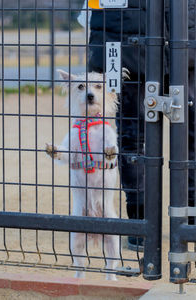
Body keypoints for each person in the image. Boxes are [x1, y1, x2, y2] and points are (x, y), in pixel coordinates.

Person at [78, 0, 196, 251]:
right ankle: (144, 222)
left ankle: (147, 223)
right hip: (127, 38)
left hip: (152, 35)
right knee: (137, 138)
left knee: (147, 138)